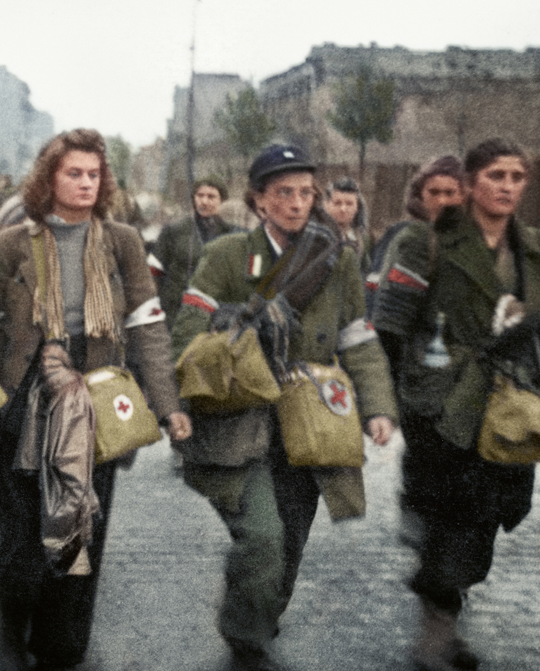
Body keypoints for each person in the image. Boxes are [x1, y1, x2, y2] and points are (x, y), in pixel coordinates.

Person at [169, 143, 397, 671]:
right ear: (259, 200)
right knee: (263, 538)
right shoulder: (228, 255)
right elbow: (187, 333)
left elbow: (357, 337)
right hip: (238, 419)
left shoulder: (337, 258)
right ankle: (245, 638)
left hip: (307, 423)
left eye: (306, 193)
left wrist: (378, 408)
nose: (297, 203)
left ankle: (259, 609)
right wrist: (230, 333)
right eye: (284, 193)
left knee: (290, 541)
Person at [0, 128, 191, 671]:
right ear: (48, 178)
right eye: (73, 173)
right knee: (20, 530)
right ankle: (16, 606)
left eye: (93, 174)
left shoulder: (123, 243)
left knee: (83, 521)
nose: (85, 183)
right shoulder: (11, 244)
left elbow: (147, 326)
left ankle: (63, 644)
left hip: (97, 395)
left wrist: (168, 405)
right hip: (25, 390)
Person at [371, 139, 537, 671]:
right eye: (495, 175)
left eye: (516, 176)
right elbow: (390, 327)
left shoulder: (531, 250)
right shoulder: (426, 241)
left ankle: (442, 602)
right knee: (452, 515)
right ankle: (436, 635)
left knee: (489, 517)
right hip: (440, 403)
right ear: (469, 184)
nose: (507, 186)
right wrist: (393, 402)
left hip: (505, 407)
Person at [366, 156, 465, 303]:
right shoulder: (399, 234)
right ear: (420, 195)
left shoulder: (472, 238)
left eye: (449, 193)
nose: (441, 201)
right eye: (434, 192)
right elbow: (375, 288)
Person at [152, 176, 240, 321]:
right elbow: (154, 271)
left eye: (211, 197)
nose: (204, 201)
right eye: (200, 195)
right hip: (176, 312)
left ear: (222, 201)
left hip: (217, 314)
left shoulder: (233, 233)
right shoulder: (174, 231)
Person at [323, 177, 373, 274]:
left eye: (349, 204)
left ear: (357, 207)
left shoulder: (363, 239)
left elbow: (366, 272)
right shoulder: (317, 234)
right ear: (326, 204)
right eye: (337, 203)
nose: (343, 209)